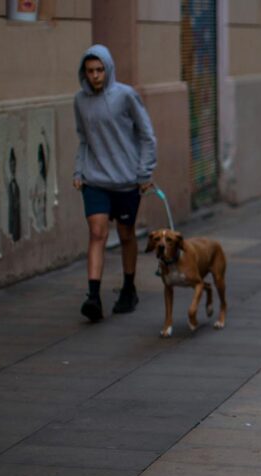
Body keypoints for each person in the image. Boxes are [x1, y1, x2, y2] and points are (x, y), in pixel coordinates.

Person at [73, 44, 157, 322]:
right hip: (95, 179)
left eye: (99, 70)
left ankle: (129, 288)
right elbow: (83, 139)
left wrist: (144, 173)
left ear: (108, 69)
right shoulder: (80, 101)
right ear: (83, 73)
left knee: (125, 235)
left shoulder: (126, 96)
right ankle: (93, 297)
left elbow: (146, 134)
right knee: (97, 233)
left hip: (125, 181)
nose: (95, 76)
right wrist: (78, 171)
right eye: (90, 71)